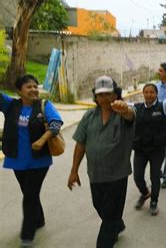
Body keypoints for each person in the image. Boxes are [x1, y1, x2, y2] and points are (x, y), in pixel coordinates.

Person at [67, 75, 135, 248]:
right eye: (100, 94)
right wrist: (74, 171)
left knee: (109, 217)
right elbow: (80, 144)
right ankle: (117, 224)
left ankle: (108, 235)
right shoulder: (89, 116)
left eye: (109, 94)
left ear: (116, 95)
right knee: (100, 208)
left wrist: (124, 109)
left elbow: (131, 115)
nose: (105, 98)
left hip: (117, 176)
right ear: (95, 97)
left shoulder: (123, 114)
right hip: (95, 175)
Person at [1, 74, 63, 246]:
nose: (34, 89)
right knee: (30, 192)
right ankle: (39, 218)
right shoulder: (11, 106)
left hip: (39, 160)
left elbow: (56, 124)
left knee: (29, 195)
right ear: (19, 91)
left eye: (35, 86)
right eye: (29, 87)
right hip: (16, 160)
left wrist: (42, 140)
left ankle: (27, 236)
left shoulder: (44, 105)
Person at [132, 67, 166, 215]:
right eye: (146, 92)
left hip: (156, 150)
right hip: (141, 149)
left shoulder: (163, 106)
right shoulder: (137, 108)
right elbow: (125, 113)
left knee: (155, 177)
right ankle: (144, 193)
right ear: (143, 94)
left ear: (156, 94)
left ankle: (154, 201)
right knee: (137, 177)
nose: (149, 94)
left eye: (152, 92)